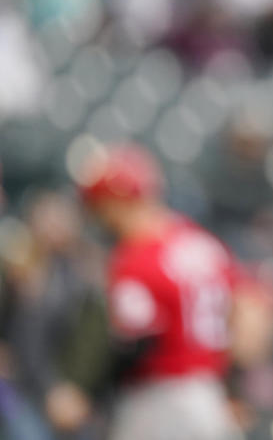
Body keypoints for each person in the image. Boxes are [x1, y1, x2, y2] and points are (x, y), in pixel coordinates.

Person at [76, 144, 246, 440]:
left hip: (159, 399)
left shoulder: (135, 259)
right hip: (210, 394)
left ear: (116, 203)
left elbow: (134, 343)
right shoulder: (202, 243)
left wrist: (86, 389)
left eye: (100, 207)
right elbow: (242, 315)